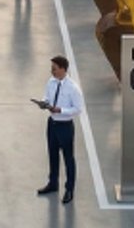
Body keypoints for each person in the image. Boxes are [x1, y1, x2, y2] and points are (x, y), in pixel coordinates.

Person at [36, 55, 82, 203]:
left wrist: (60, 110)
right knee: (52, 155)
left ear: (63, 69)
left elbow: (78, 109)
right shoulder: (51, 82)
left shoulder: (73, 88)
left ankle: (69, 189)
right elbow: (47, 96)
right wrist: (44, 102)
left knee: (68, 158)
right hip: (52, 124)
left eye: (54, 69)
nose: (52, 71)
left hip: (65, 126)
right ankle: (53, 183)